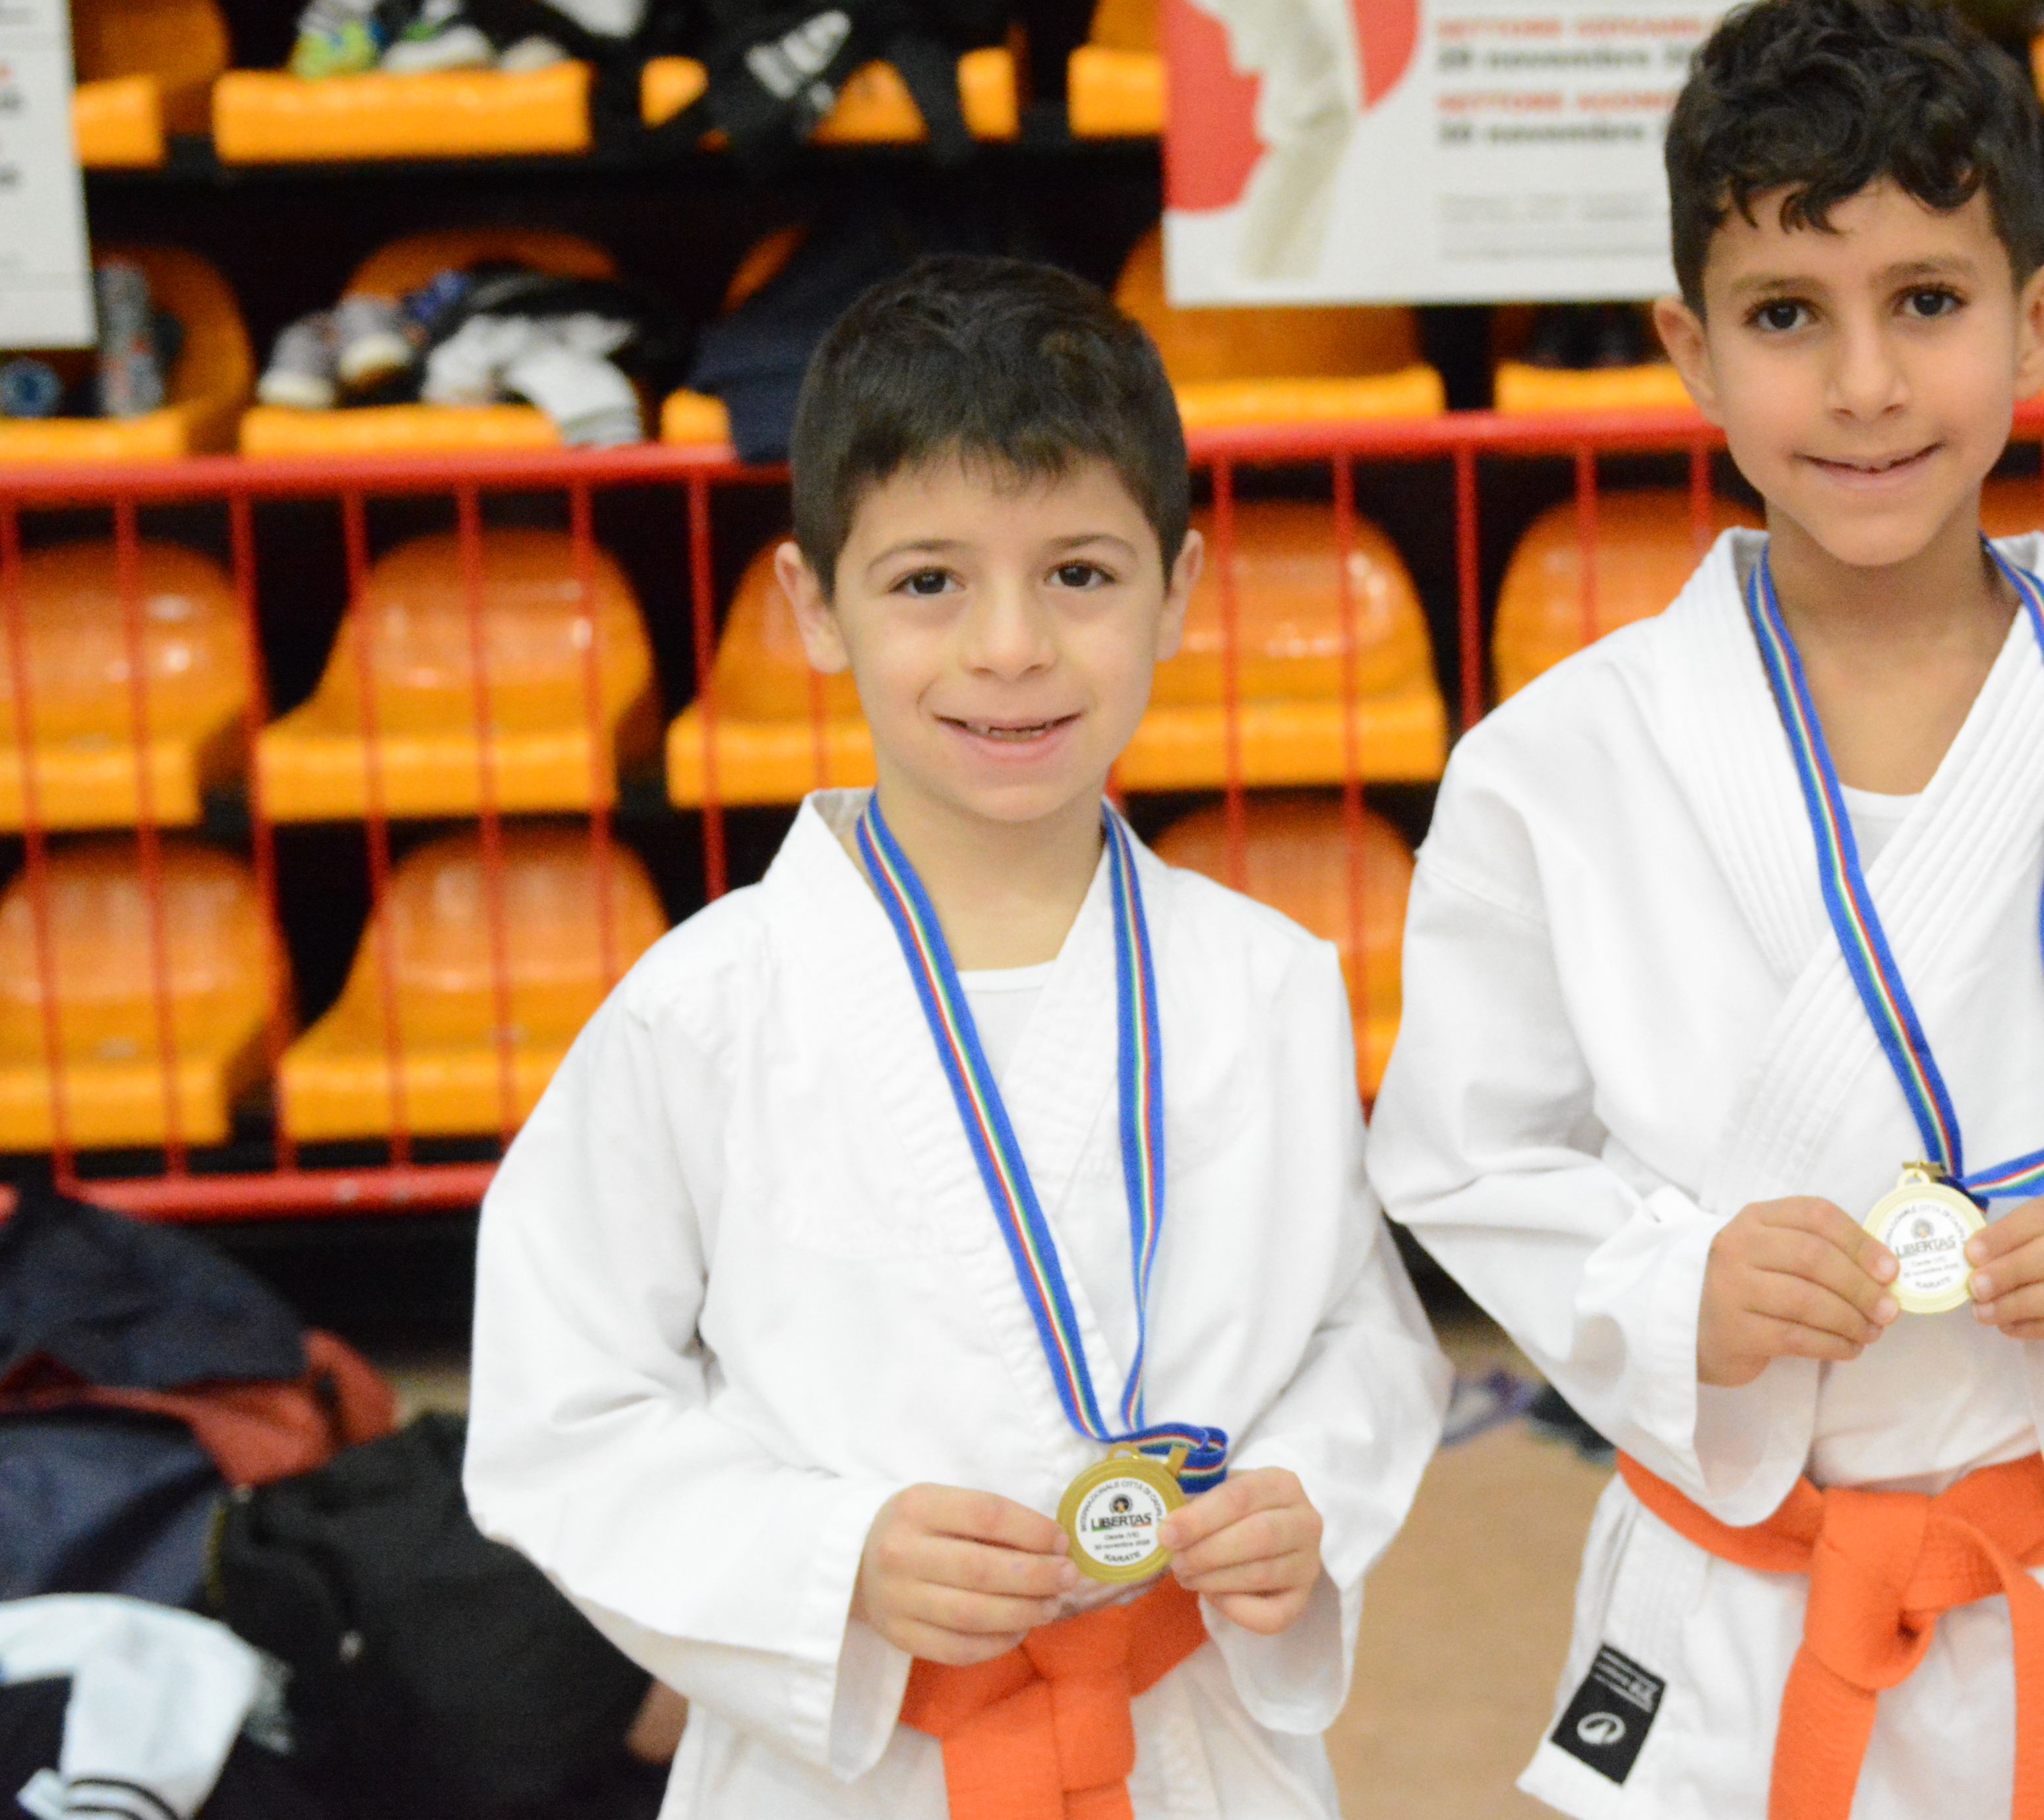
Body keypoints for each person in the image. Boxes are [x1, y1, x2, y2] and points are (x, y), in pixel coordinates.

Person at [1366, 0, 2044, 1820]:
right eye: (1787, 315)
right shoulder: (1553, 763)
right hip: (1733, 1604)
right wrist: (1677, 1284)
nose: (1863, 385)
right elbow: (1461, 1155)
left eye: (1927, 302)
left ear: (2039, 322)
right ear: (1691, 351)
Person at [467, 255, 1451, 1819]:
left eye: (1080, 574)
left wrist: (1303, 1495)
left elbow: (1360, 1337)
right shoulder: (702, 1008)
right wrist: (833, 1558)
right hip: (850, 1765)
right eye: (928, 581)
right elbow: (561, 1411)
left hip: (1188, 1735)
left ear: (1178, 590)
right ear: (813, 606)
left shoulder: (1266, 982)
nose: (1009, 646)